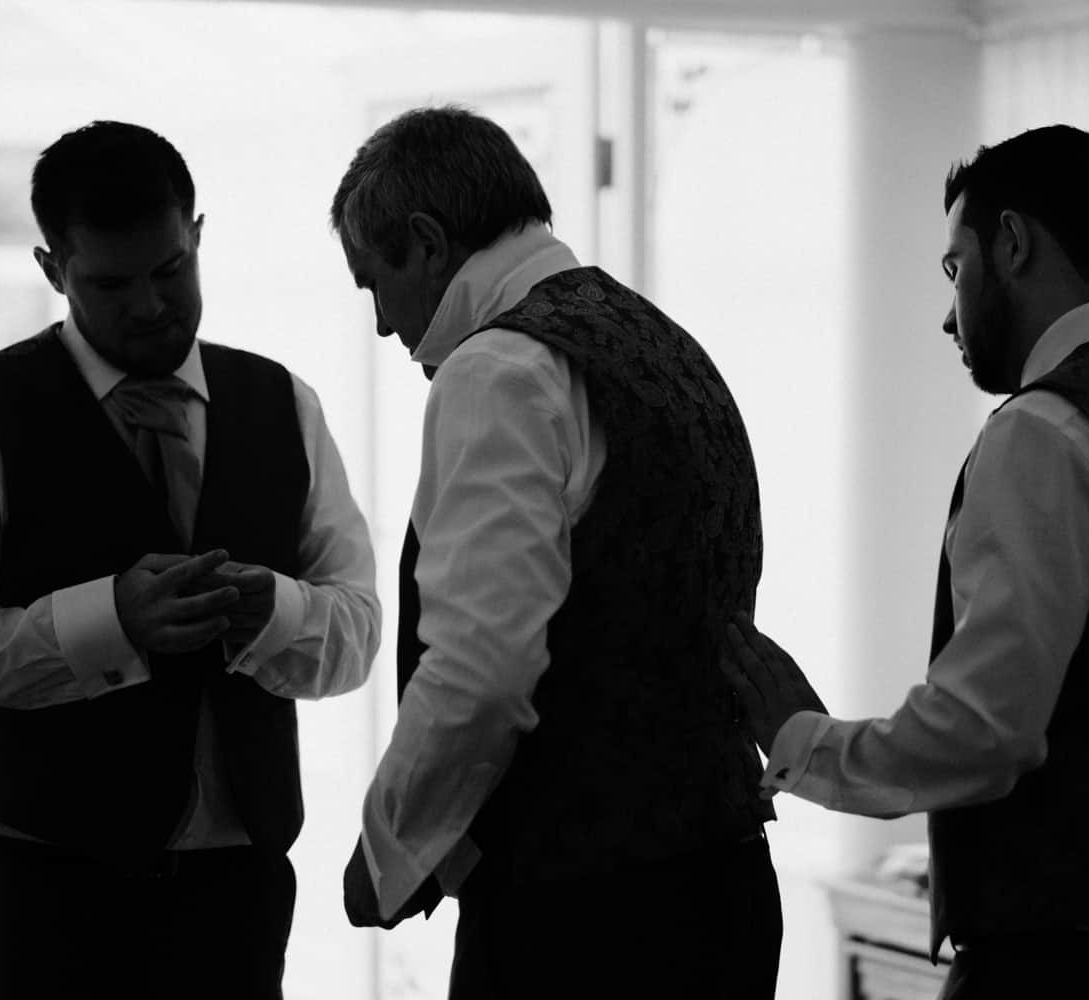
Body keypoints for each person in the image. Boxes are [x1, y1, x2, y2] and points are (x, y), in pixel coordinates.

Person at [720, 123, 1089, 1000]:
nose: (949, 311)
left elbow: (985, 731)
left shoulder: (1044, 432)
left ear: (1013, 244)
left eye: (956, 266)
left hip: (1061, 966)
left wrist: (805, 743)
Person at [329, 105, 782, 999]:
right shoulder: (662, 343)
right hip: (724, 887)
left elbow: (483, 669)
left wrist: (388, 851)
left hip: (582, 918)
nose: (384, 324)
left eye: (373, 282)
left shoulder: (497, 371)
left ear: (425, 242)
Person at [0, 120, 380, 1000]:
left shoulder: (281, 401)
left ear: (199, 237)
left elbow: (359, 631)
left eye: (171, 270)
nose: (149, 305)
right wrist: (112, 623)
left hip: (234, 901)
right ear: (51, 268)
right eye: (111, 283)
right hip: (34, 899)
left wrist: (277, 613)